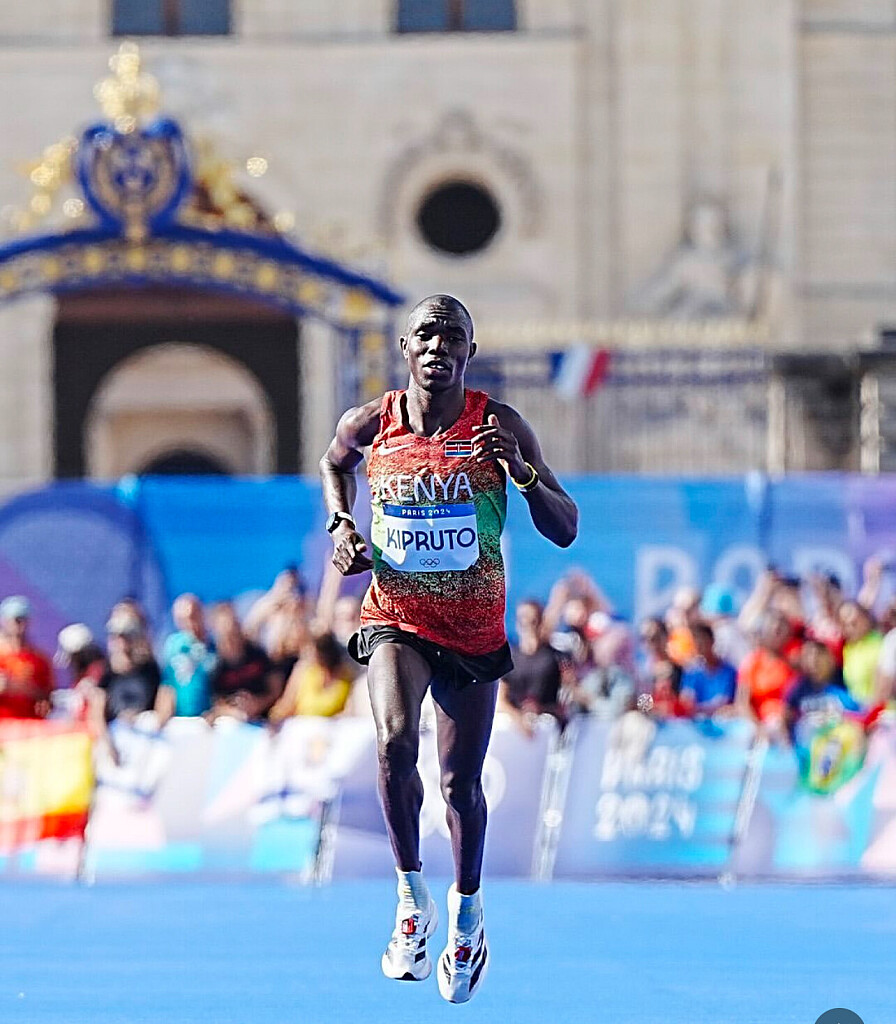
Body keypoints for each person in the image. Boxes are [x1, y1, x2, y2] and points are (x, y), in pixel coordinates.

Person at [320, 294, 577, 1003]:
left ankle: (467, 916)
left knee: (460, 786)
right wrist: (342, 526)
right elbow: (333, 464)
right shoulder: (371, 423)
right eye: (426, 335)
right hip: (395, 617)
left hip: (472, 632)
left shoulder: (499, 424)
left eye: (452, 337)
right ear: (405, 347)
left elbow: (565, 527)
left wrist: (522, 474)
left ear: (470, 351)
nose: (438, 347)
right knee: (393, 741)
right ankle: (411, 900)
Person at [498, 600, 569, 735]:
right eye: (523, 620)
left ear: (540, 622)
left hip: (546, 724)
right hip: (513, 725)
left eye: (533, 621)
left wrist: (543, 710)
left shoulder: (555, 657)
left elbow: (567, 696)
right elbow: (501, 700)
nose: (528, 626)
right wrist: (519, 719)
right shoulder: (509, 658)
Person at [208, 602, 283, 722]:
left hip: (264, 721)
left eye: (234, 626)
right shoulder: (215, 663)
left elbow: (276, 689)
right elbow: (216, 702)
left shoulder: (258, 655)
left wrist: (259, 704)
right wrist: (233, 712)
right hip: (232, 723)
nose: (231, 633)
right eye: (226, 631)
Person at [156, 594, 216, 724]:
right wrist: (161, 717)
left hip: (210, 721)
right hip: (181, 722)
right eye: (182, 620)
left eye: (193, 616)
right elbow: (168, 683)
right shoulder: (174, 646)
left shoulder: (216, 645)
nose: (190, 623)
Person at [735, 610, 798, 733]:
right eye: (774, 631)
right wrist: (758, 728)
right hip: (760, 724)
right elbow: (742, 703)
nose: (777, 635)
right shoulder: (752, 663)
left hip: (788, 724)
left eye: (780, 631)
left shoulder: (794, 663)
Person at [269, 631, 355, 720]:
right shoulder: (303, 671)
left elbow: (348, 710)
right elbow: (287, 705)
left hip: (333, 724)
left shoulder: (345, 676)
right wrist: (275, 716)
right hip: (304, 722)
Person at [99, 606, 161, 724]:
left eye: (127, 636)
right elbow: (99, 705)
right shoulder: (108, 671)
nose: (122, 641)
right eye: (116, 636)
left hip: (144, 728)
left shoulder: (149, 669)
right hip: (116, 729)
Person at [0, 596, 53, 719]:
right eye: (17, 620)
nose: (20, 625)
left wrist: (22, 688)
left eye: (24, 620)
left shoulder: (39, 660)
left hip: (29, 725)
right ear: (4, 621)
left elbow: (48, 697)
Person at [679, 622, 737, 716]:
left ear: (712, 640)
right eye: (696, 641)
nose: (699, 645)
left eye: (702, 639)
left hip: (721, 719)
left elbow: (723, 702)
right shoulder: (692, 672)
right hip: (696, 721)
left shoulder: (728, 671)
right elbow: (686, 701)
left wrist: (698, 709)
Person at [838, 600, 884, 708]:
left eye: (854, 623)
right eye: (844, 624)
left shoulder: (881, 644)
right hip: (858, 711)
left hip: (880, 710)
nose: (849, 628)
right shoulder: (847, 648)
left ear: (866, 618)